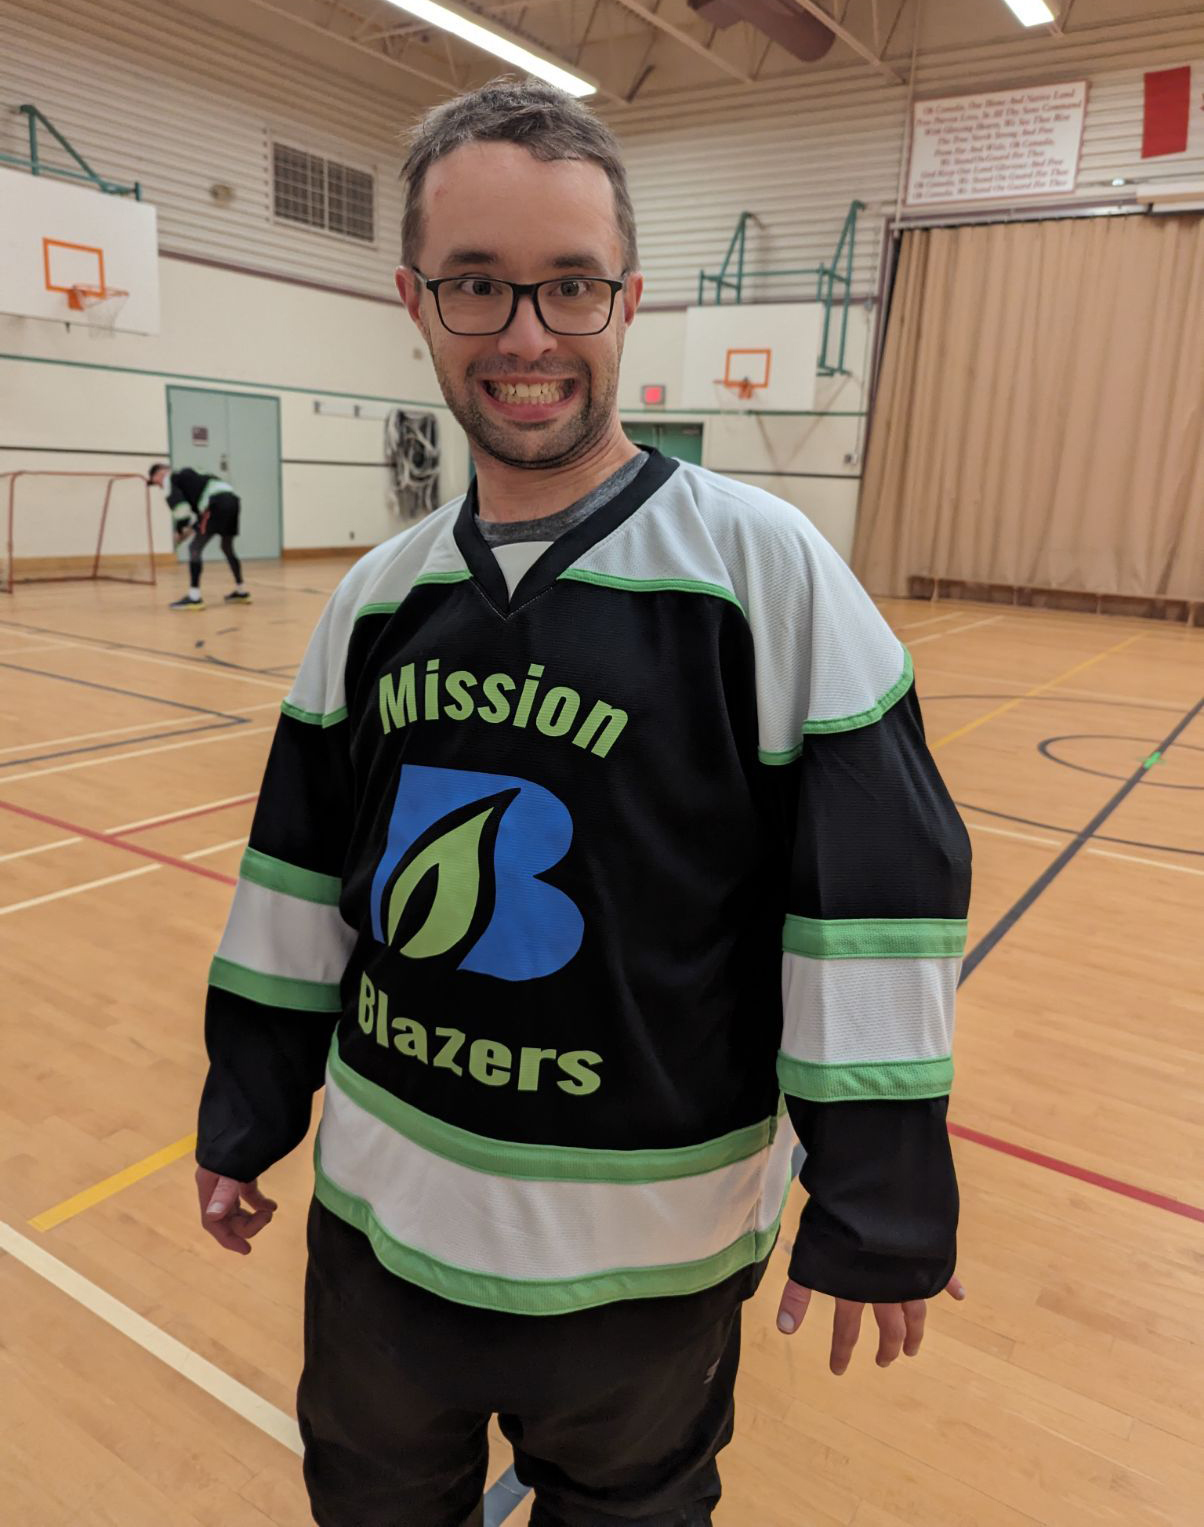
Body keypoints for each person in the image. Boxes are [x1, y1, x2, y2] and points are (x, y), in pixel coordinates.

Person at [193, 79, 970, 1527]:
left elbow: (877, 896)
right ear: (415, 298)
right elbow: (296, 882)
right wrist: (248, 1104)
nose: (528, 336)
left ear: (629, 301)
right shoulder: (376, 598)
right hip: (381, 1223)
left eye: (569, 287)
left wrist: (879, 1194)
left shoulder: (765, 572)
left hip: (647, 1252)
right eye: (480, 287)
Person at [147, 462, 251, 609]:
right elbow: (200, 516)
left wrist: (179, 531)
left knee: (194, 548)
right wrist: (189, 528)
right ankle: (241, 592)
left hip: (215, 503)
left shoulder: (170, 478)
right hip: (232, 501)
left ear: (160, 473)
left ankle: (194, 598)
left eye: (155, 482)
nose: (159, 486)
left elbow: (182, 511)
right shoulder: (191, 474)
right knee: (227, 547)